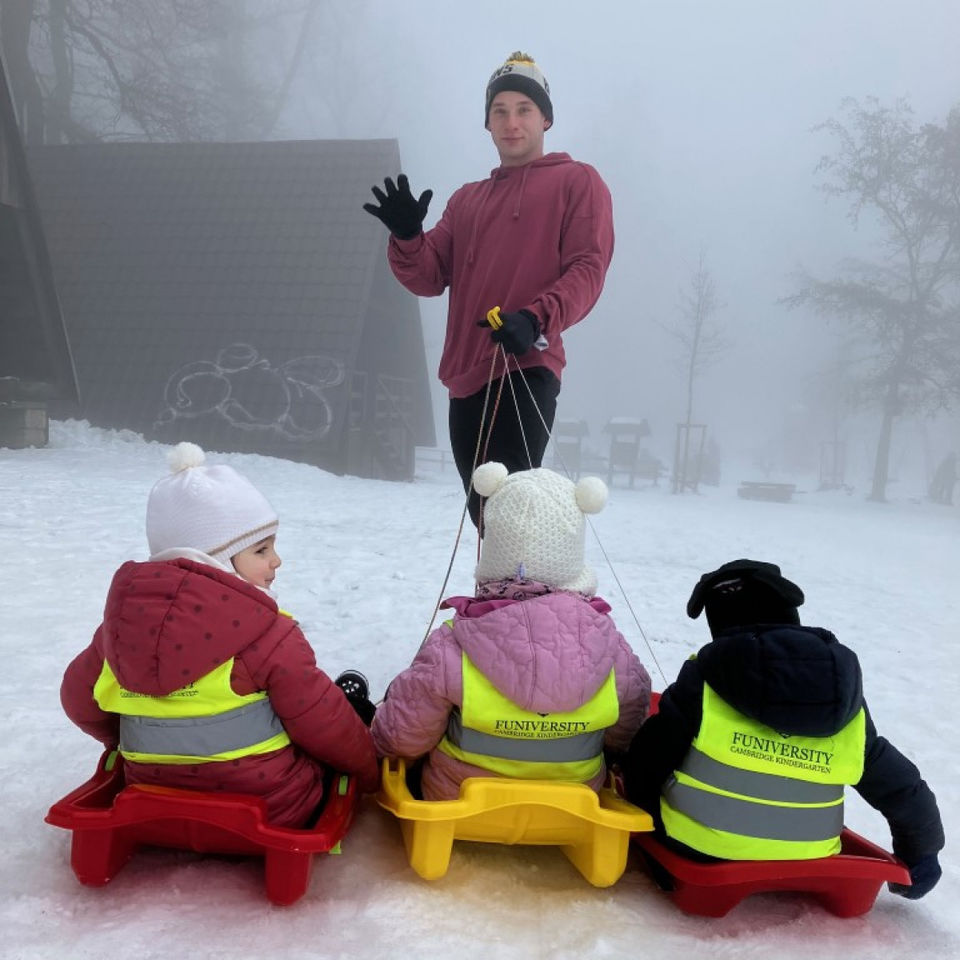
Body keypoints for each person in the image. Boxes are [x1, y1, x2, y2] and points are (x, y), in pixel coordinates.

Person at [60, 442, 380, 828]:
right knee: (330, 718)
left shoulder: (117, 634)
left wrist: (130, 738)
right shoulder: (271, 634)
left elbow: (78, 700)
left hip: (151, 799)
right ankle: (361, 708)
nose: (276, 560)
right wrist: (368, 771)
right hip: (271, 808)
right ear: (217, 560)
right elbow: (324, 724)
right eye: (261, 549)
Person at [363, 52, 615, 526]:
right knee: (485, 512)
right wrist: (406, 236)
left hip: (527, 364)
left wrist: (536, 317)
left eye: (523, 109)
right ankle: (498, 600)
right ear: (488, 123)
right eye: (499, 111)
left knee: (510, 512)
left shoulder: (577, 182)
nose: (511, 122)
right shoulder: (467, 201)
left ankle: (524, 599)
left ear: (546, 118)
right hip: (465, 377)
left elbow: (588, 267)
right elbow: (428, 276)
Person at [622, 559, 944, 900]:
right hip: (813, 854)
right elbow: (896, 783)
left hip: (701, 850)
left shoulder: (709, 674)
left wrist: (650, 834)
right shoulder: (839, 685)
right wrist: (922, 852)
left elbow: (648, 759)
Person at [371, 462, 651, 800]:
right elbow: (626, 731)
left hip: (457, 803)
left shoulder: (453, 643)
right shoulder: (611, 649)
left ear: (494, 557)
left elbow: (403, 737)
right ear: (572, 558)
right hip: (575, 805)